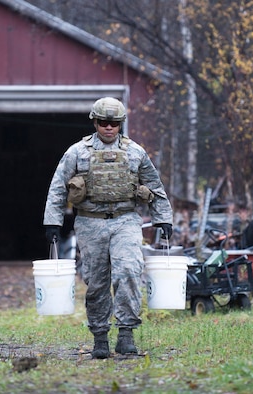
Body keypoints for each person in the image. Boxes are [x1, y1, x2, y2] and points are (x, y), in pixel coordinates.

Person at [43, 97, 173, 359]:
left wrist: (163, 218)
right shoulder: (77, 152)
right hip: (90, 222)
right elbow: (58, 187)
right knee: (96, 281)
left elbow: (154, 185)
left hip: (126, 220)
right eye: (104, 122)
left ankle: (126, 334)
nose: (109, 127)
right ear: (95, 122)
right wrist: (52, 222)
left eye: (114, 123)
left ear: (121, 124)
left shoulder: (135, 152)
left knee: (128, 271)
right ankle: (100, 337)